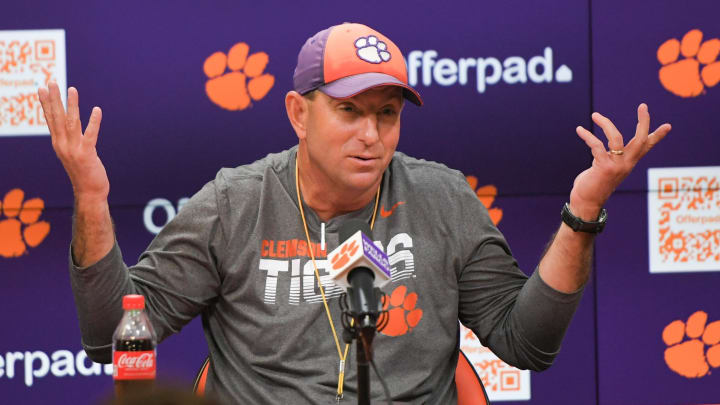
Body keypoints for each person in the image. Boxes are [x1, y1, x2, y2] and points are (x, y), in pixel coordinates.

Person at [38, 23, 671, 404]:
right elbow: (112, 341)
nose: (371, 134)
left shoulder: (443, 198)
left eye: (387, 113)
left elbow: (525, 342)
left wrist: (583, 211)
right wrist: (92, 201)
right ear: (297, 112)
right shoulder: (234, 204)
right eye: (349, 111)